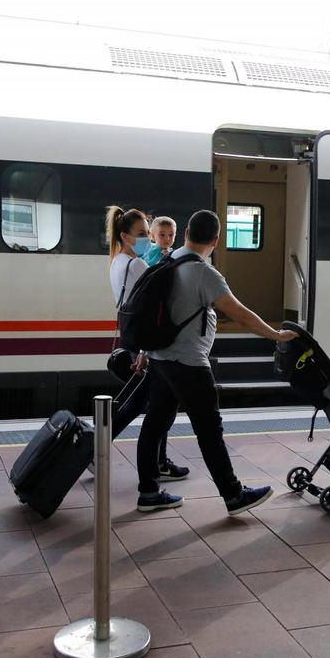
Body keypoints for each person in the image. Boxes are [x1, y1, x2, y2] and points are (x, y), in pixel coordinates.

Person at [135, 210, 296, 515]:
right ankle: (234, 494)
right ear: (216, 241)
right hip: (189, 364)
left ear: (185, 235)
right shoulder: (204, 273)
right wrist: (275, 335)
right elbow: (240, 313)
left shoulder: (167, 262)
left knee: (154, 425)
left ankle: (147, 492)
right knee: (209, 430)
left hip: (160, 359)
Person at [104, 206, 189, 483]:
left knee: (145, 402)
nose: (147, 240)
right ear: (125, 235)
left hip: (129, 341)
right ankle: (154, 463)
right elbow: (147, 311)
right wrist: (145, 351)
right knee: (154, 406)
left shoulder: (118, 261)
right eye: (142, 234)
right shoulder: (138, 265)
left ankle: (100, 448)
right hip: (141, 345)